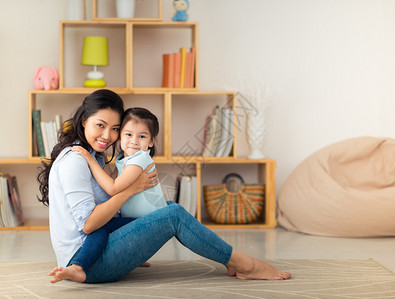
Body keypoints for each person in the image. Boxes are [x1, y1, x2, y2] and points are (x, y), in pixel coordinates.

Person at [37, 89, 291, 284]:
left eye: (115, 129)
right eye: (100, 125)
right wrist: (131, 189)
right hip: (87, 262)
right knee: (173, 214)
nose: (108, 136)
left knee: (167, 209)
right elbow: (89, 225)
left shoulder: (94, 156)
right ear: (84, 121)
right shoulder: (77, 160)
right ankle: (245, 264)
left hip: (101, 247)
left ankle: (230, 261)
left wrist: (135, 239)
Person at [72, 107, 167, 219]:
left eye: (142, 136)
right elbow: (111, 180)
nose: (134, 141)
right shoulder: (123, 158)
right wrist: (101, 155)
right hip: (134, 221)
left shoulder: (140, 159)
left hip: (153, 220)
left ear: (151, 141)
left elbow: (112, 188)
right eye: (128, 134)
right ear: (120, 137)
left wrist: (90, 159)